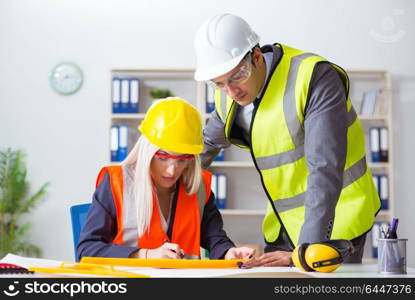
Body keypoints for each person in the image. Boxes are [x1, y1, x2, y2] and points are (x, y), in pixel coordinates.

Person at [193, 13, 381, 267]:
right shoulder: (229, 96)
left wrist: (304, 253)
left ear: (257, 56)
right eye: (219, 84)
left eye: (237, 76)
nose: (231, 91)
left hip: (336, 221)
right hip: (283, 225)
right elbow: (202, 149)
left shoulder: (313, 78)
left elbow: (324, 168)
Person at [77, 97, 255, 261]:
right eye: (162, 157)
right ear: (147, 151)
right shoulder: (116, 182)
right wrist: (146, 255)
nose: (172, 170)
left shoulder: (199, 187)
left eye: (182, 160)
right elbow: (87, 249)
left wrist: (229, 252)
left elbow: (214, 237)